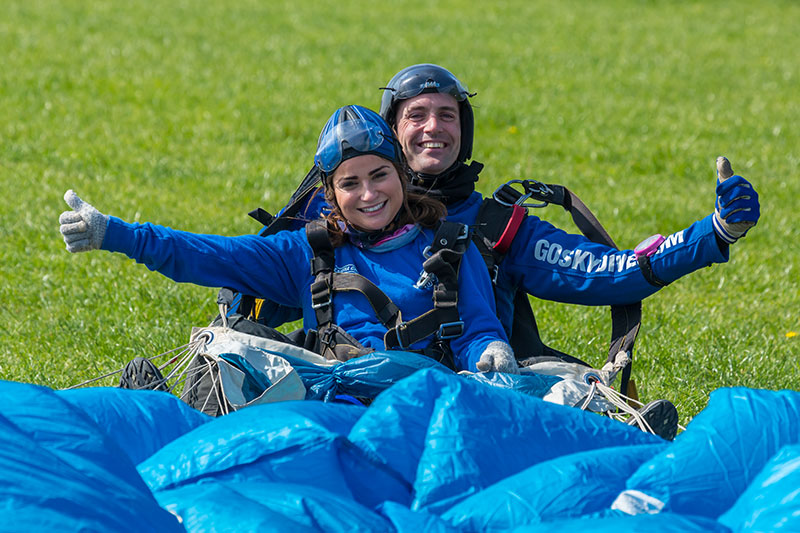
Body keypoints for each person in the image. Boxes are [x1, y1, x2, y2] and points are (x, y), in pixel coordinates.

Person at [253, 63, 760, 372]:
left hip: (483, 394)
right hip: (348, 391)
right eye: (416, 116)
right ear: (389, 131)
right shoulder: (334, 217)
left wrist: (713, 232)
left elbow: (612, 272)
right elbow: (255, 295)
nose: (434, 128)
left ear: (464, 128)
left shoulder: (496, 225)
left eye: (447, 114)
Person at [58, 105, 517, 374]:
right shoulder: (307, 253)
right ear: (331, 196)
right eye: (350, 184)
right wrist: (114, 233)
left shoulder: (450, 246)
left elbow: (478, 328)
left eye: (380, 176)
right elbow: (205, 254)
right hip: (337, 412)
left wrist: (490, 353)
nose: (369, 194)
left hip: (430, 412)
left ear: (402, 175)